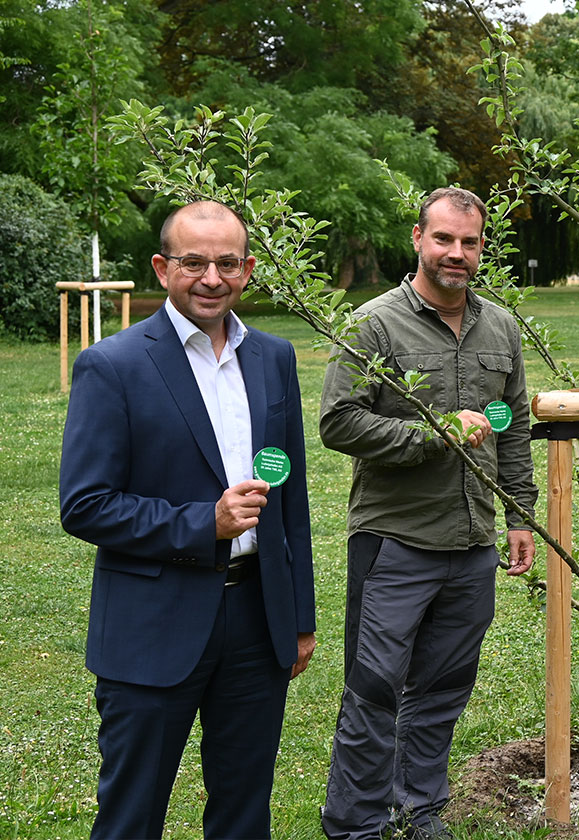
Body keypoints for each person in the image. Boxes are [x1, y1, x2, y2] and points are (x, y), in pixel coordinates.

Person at [59, 200, 317, 839]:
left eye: (227, 263)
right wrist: (207, 523)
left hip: (256, 620)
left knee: (243, 811)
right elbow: (85, 504)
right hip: (153, 624)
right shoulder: (113, 365)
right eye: (193, 262)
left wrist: (298, 617)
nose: (211, 278)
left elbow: (291, 500)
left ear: (248, 269)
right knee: (132, 815)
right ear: (162, 267)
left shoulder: (274, 358)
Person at [319, 186, 538, 840]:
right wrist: (431, 434)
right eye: (443, 238)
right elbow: (338, 422)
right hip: (396, 541)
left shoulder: (501, 328)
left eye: (469, 242)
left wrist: (518, 515)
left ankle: (417, 808)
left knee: (444, 686)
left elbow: (514, 427)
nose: (456, 253)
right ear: (418, 238)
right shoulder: (374, 325)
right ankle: (355, 824)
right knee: (374, 688)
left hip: (471, 543)